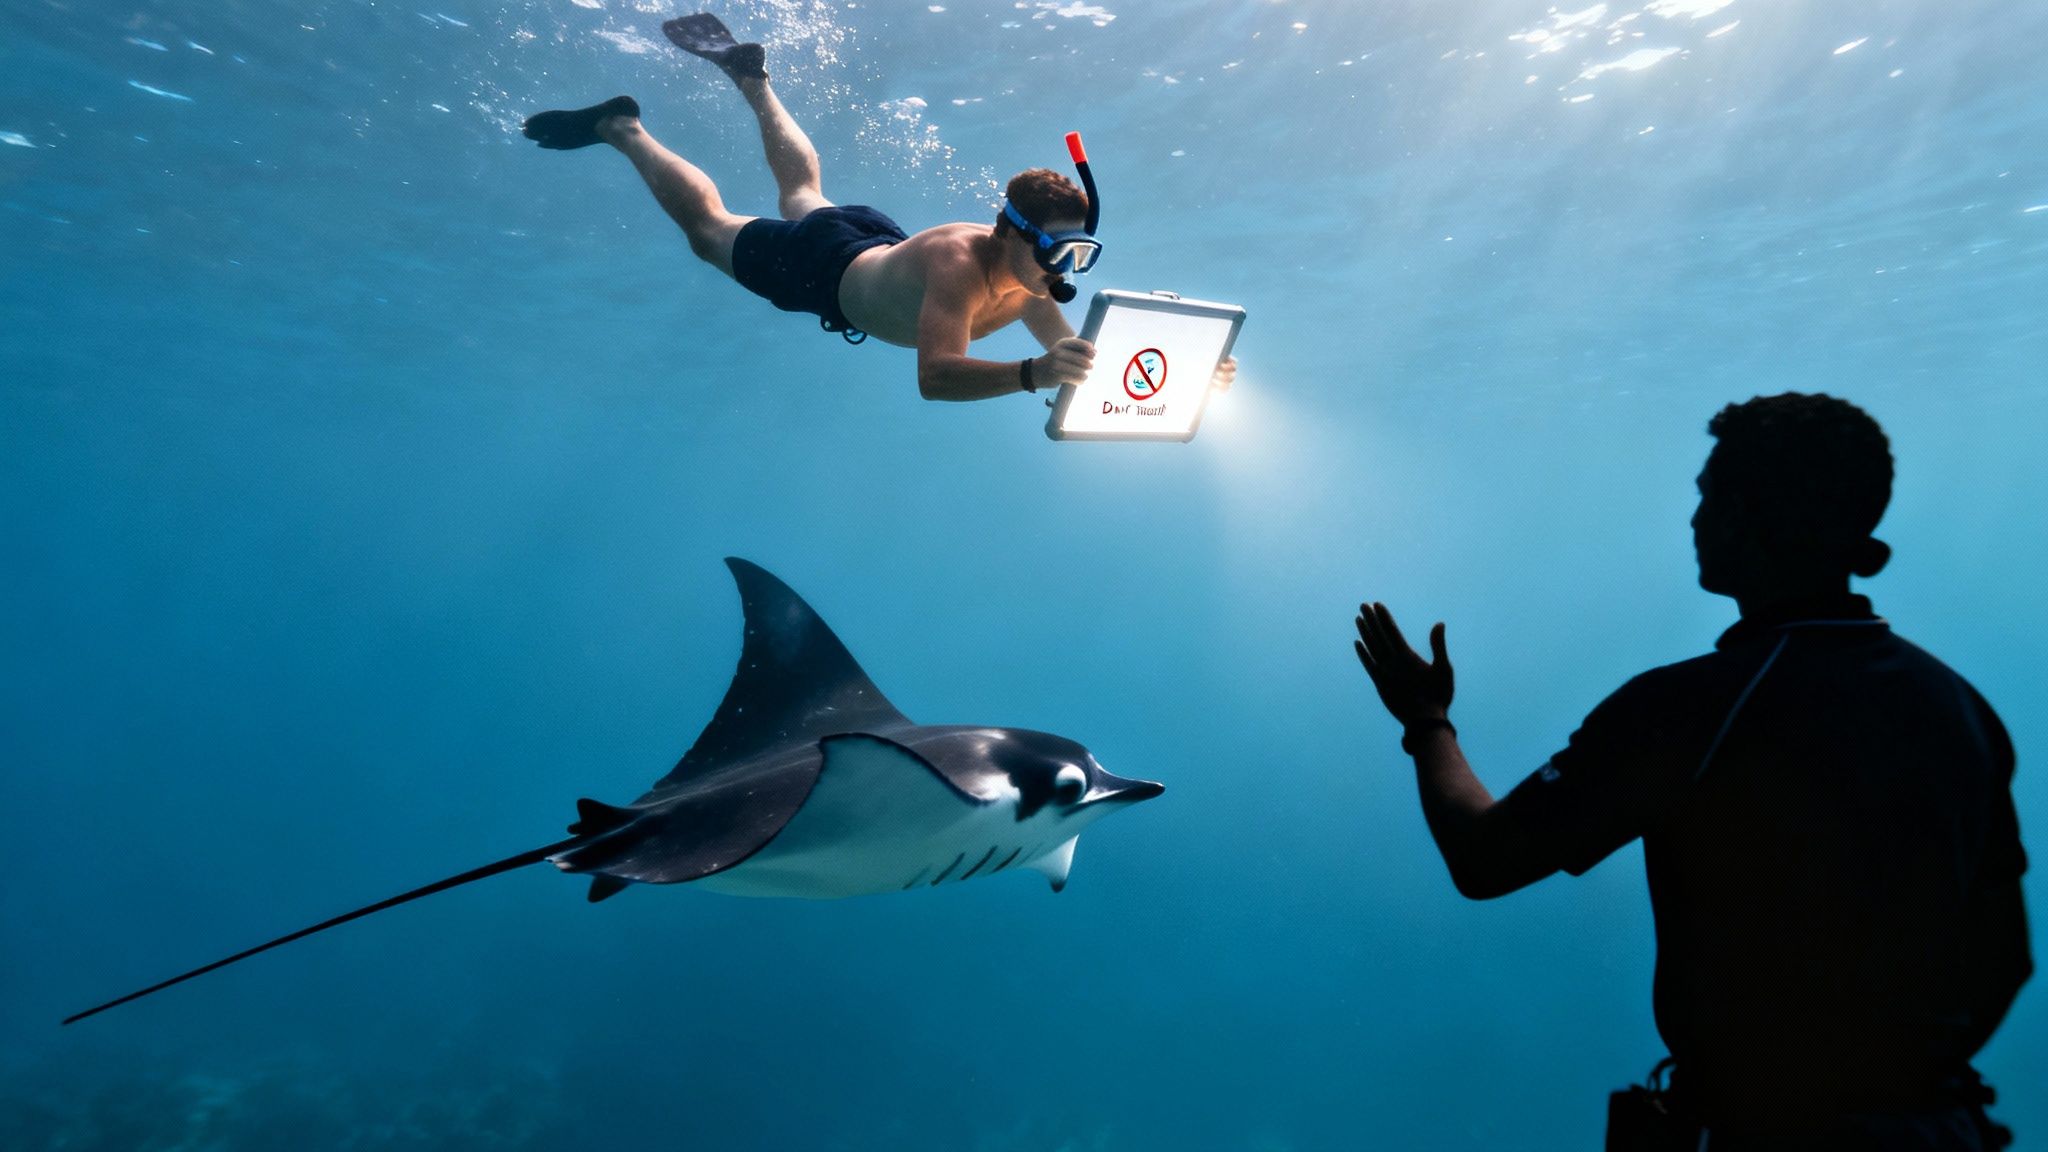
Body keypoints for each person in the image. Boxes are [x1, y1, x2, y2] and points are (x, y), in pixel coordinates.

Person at [1352, 393, 2030, 1150]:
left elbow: (1484, 859)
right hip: (1943, 1129)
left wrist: (1427, 721)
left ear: (1750, 514)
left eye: (1709, 494)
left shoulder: (1693, 709)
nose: (1696, 518)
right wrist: (1902, 1083)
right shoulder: (1961, 709)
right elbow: (2007, 956)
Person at [521, 13, 1234, 404]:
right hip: (823, 268)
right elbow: (936, 377)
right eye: (1054, 250)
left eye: (1079, 253)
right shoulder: (959, 267)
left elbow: (1078, 362)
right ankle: (623, 128)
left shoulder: (1032, 281)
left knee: (805, 196)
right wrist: (1030, 376)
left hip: (872, 243)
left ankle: (752, 80)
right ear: (1007, 233)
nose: (1063, 268)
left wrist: (1193, 376)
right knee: (709, 234)